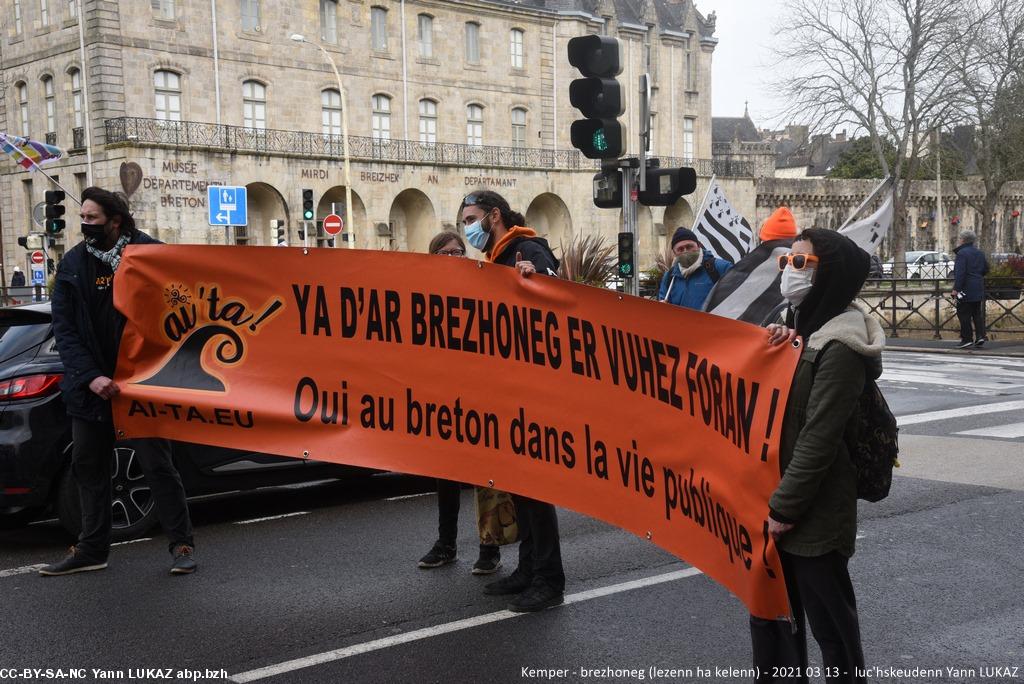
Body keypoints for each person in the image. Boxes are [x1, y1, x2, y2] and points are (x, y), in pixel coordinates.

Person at [40, 187, 198, 577]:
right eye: (83, 218)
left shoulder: (152, 256)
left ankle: (181, 545)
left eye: (92, 218)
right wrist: (91, 376)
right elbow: (65, 329)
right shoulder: (73, 264)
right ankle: (92, 550)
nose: (85, 224)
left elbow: (182, 308)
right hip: (91, 390)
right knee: (89, 468)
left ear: (115, 221)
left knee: (158, 466)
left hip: (142, 386)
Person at [753, 228, 884, 684]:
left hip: (816, 513)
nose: (789, 271)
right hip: (778, 499)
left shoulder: (841, 346)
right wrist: (773, 347)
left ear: (829, 274)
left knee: (832, 631)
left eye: (800, 263)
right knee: (777, 619)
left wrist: (784, 508)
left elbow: (819, 437)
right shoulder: (799, 326)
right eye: (786, 262)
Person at [458, 190, 565, 613]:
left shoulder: (527, 248)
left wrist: (537, 279)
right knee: (521, 487)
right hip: (509, 390)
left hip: (533, 391)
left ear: (494, 216)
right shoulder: (495, 258)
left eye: (471, 219)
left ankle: (549, 579)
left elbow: (558, 295)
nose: (467, 227)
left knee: (536, 489)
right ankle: (529, 568)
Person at [417, 230, 505, 575]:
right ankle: (446, 544)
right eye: (445, 253)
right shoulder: (424, 296)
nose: (453, 258)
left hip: (478, 394)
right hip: (442, 396)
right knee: (446, 475)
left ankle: (489, 547)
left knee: (484, 475)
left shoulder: (480, 287)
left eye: (458, 252)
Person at [659, 227, 732, 309]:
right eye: (680, 249)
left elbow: (736, 299)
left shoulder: (721, 268)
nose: (685, 251)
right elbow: (663, 308)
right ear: (674, 253)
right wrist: (661, 307)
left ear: (698, 245)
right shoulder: (670, 277)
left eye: (689, 247)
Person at [952, 229, 989, 349]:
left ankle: (967, 339)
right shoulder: (980, 253)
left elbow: (960, 273)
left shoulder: (962, 253)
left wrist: (956, 289)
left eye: (960, 238)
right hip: (978, 286)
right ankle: (980, 336)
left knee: (963, 313)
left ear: (963, 240)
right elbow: (986, 269)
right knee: (977, 313)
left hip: (965, 288)